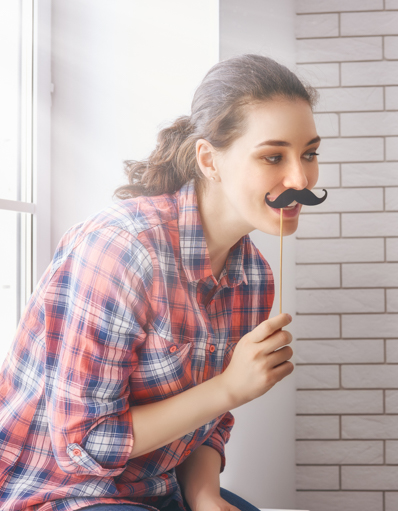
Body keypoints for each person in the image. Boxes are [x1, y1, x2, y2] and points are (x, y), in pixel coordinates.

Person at [0, 55, 321, 511]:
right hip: (55, 491)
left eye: (309, 153)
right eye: (273, 156)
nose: (301, 178)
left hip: (157, 489)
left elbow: (210, 421)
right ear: (209, 159)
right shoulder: (123, 250)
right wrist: (230, 386)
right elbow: (83, 446)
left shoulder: (253, 279)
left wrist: (205, 495)